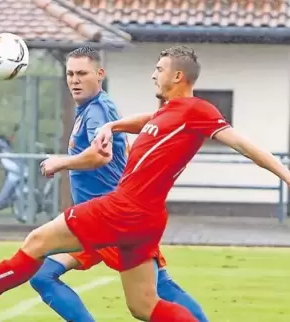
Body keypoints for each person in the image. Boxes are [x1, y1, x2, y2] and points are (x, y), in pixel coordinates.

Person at [0, 45, 290, 322]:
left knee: (36, 244)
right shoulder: (172, 111)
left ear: (178, 76)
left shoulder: (198, 110)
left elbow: (244, 144)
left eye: (158, 69)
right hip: (142, 218)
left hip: (121, 210)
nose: (153, 74)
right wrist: (112, 124)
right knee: (143, 306)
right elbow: (145, 120)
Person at [28, 47, 208, 322]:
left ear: (100, 75)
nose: (74, 80)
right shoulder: (90, 109)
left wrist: (61, 162)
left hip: (113, 220)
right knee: (43, 276)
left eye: (82, 74)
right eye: (70, 74)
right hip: (92, 218)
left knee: (157, 289)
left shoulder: (98, 110)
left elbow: (101, 156)